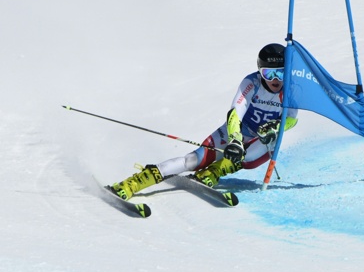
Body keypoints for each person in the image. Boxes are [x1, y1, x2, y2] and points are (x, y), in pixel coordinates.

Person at [107, 43, 299, 200]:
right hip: (238, 131)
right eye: (268, 74)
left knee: (258, 150)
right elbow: (235, 114)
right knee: (192, 160)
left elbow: (291, 119)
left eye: (280, 73)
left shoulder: (291, 90)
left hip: (263, 142)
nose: (275, 80)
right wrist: (234, 139)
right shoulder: (252, 83)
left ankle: (213, 172)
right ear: (260, 73)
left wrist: (275, 127)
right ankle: (133, 183)